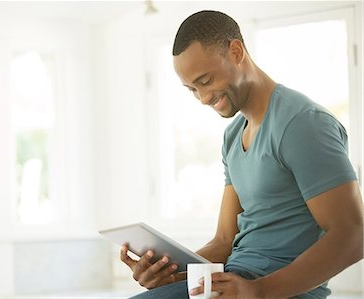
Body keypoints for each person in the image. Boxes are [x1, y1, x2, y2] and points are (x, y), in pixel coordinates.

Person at [120, 10, 363, 299]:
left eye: (206, 80)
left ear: (236, 51)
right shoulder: (233, 135)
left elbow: (353, 235)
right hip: (235, 281)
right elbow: (224, 241)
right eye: (192, 89)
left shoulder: (302, 123)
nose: (203, 98)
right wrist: (168, 271)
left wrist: (258, 290)